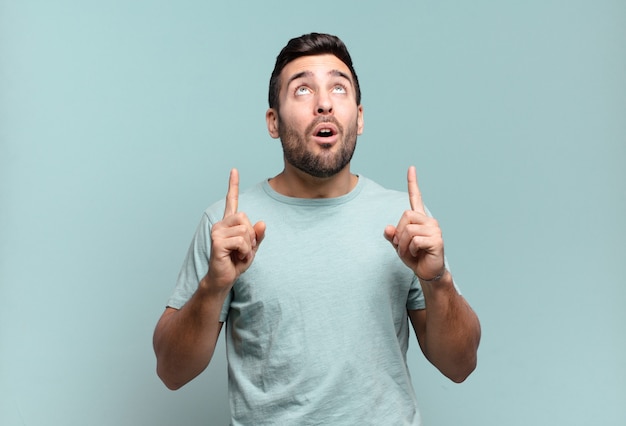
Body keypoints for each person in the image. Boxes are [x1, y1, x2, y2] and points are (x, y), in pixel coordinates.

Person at [153, 32, 481, 425]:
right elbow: (171, 372)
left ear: (358, 118)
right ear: (273, 122)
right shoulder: (228, 226)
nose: (324, 103)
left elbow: (460, 365)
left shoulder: (405, 221)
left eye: (339, 88)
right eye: (303, 89)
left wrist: (439, 280)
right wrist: (213, 286)